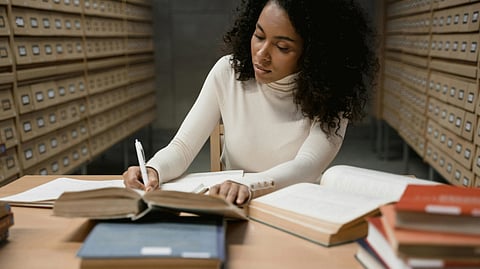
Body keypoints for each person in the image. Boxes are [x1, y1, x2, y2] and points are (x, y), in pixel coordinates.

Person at [123, 0, 378, 205]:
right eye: (259, 35)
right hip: (236, 206)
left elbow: (308, 166)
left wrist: (250, 186)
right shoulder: (228, 73)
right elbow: (182, 147)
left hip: (294, 207)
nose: (261, 53)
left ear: (313, 54)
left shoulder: (333, 95)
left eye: (282, 47)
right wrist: (153, 169)